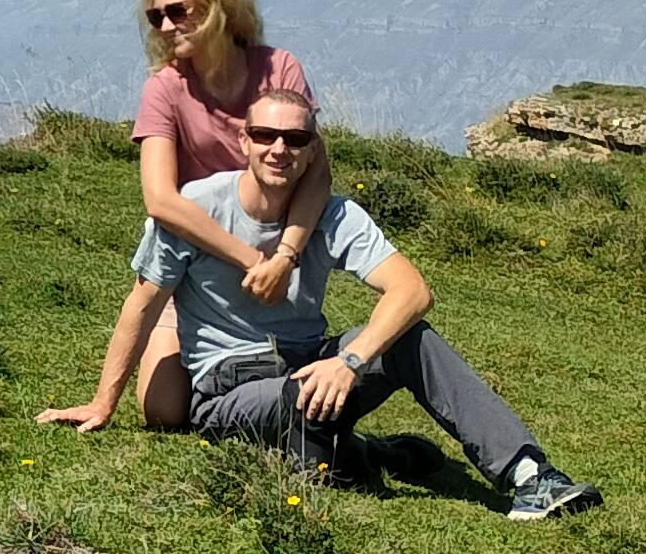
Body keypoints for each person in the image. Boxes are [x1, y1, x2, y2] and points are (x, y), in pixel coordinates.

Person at [135, 91, 599, 519]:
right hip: (229, 391)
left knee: (408, 339)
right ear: (244, 141)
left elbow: (413, 291)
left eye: (295, 138)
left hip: (309, 365)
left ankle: (528, 475)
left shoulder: (335, 215)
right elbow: (141, 305)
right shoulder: (196, 207)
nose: (279, 149)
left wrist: (350, 361)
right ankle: (372, 454)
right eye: (265, 135)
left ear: (313, 150)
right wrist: (102, 402)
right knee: (316, 453)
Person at [40, 0, 325, 432]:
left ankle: (286, 406)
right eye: (156, 16)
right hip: (200, 255)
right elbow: (160, 200)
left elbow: (317, 173)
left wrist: (285, 256)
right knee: (164, 411)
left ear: (220, 6)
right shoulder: (166, 89)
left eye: (179, 11)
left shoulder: (279, 70)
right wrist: (250, 261)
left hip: (277, 253)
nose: (166, 26)